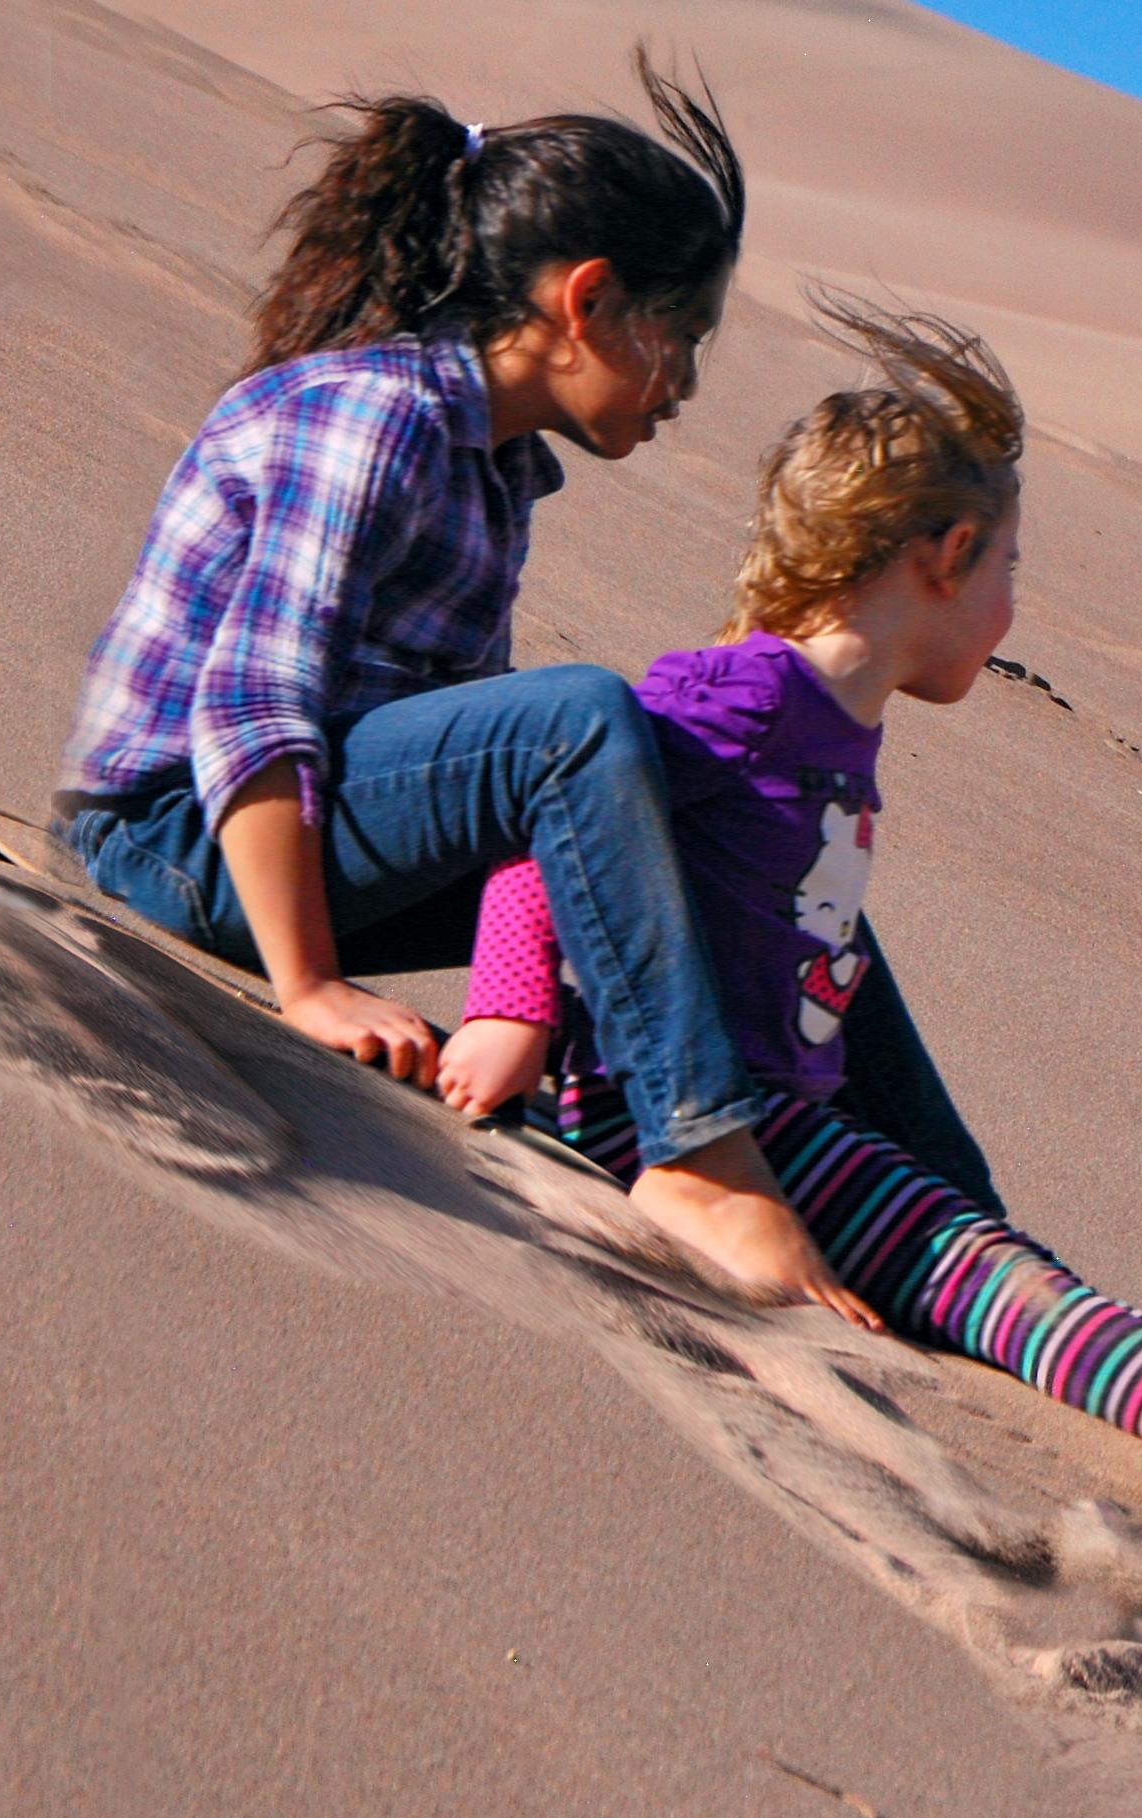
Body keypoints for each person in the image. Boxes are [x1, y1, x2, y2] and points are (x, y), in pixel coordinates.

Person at [434, 295, 1142, 1501]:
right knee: (985, 1276)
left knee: (1003, 1264)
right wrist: (508, 1009)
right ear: (941, 559)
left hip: (790, 1120)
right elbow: (556, 823)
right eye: (1011, 565)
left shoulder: (832, 716)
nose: (1014, 605)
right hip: (674, 1120)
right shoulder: (745, 696)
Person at [52, 56, 982, 1324]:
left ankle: (961, 1222)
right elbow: (253, 710)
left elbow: (490, 796)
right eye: (685, 340)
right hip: (181, 837)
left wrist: (517, 1002)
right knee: (581, 716)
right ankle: (701, 1157)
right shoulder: (368, 418)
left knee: (774, 856)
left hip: (318, 845)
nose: (688, 389)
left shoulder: (499, 476)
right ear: (590, 302)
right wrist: (309, 986)